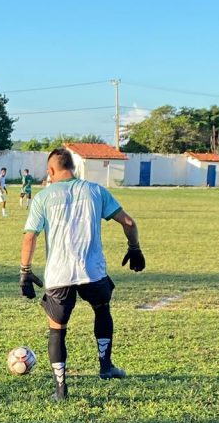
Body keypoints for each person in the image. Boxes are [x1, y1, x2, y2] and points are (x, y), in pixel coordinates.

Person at [19, 146, 145, 401]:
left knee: (57, 328)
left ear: (51, 170)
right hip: (92, 272)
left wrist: (25, 272)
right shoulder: (95, 191)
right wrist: (134, 248)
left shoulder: (43, 197)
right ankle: (106, 366)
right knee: (102, 309)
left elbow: (30, 237)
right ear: (73, 168)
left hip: (59, 275)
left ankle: (61, 389)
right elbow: (129, 222)